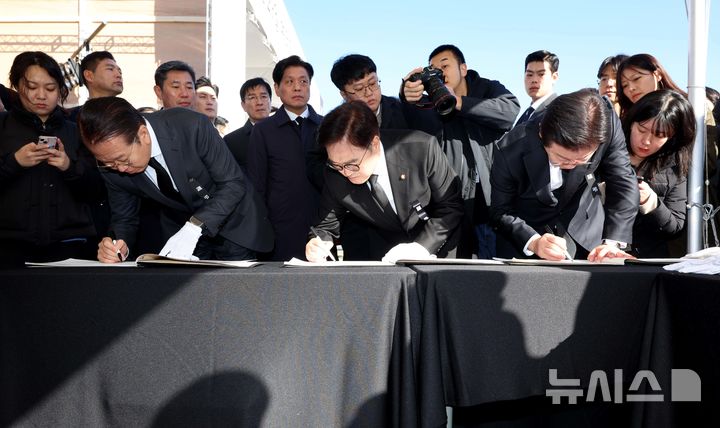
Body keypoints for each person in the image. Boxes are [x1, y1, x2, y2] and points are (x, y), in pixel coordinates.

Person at [78, 96, 274, 262]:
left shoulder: (191, 126)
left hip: (235, 223)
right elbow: (124, 218)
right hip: (181, 235)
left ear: (143, 134)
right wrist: (118, 246)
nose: (119, 168)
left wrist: (195, 226)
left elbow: (233, 183)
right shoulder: (110, 164)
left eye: (123, 159)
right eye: (108, 163)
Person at [400, 44, 520, 258]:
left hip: (494, 201)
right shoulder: (429, 104)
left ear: (463, 69)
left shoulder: (488, 88)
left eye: (445, 66)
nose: (440, 73)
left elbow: (509, 111)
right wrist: (406, 94)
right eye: (434, 69)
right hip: (454, 205)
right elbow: (409, 126)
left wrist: (458, 103)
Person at [305, 101, 463, 263]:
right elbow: (325, 226)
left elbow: (450, 206)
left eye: (352, 164)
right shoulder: (335, 173)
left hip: (441, 246)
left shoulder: (422, 148)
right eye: (336, 165)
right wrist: (316, 243)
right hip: (388, 256)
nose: (345, 172)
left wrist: (421, 247)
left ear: (374, 143)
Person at [490, 89, 638, 261]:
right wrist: (534, 242)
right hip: (525, 233)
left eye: (582, 160)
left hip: (586, 231)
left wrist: (612, 243)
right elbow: (501, 210)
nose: (571, 165)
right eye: (562, 158)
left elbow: (623, 182)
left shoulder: (606, 124)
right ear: (541, 134)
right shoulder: (510, 149)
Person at [0, 51, 99, 265]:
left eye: (51, 88)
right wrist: (14, 162)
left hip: (70, 243)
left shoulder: (77, 131)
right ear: (17, 86)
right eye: (32, 87)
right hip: (9, 245)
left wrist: (68, 166)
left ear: (60, 89)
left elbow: (97, 189)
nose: (41, 95)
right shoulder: (3, 126)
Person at [330, 53, 409, 259]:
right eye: (359, 89)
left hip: (407, 223)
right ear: (344, 94)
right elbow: (318, 167)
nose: (369, 92)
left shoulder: (406, 112)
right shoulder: (335, 126)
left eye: (373, 83)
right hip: (361, 225)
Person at [247, 55, 323, 261]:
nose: (297, 87)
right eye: (289, 82)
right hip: (278, 232)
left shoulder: (327, 127)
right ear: (277, 88)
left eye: (303, 81)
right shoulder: (263, 130)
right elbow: (257, 185)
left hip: (321, 232)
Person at [622, 90, 695, 257]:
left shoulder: (674, 168)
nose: (646, 141)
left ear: (672, 137)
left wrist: (650, 202)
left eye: (659, 135)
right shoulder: (606, 155)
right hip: (598, 256)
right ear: (631, 122)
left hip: (646, 260)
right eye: (642, 130)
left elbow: (675, 226)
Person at [616, 53, 686, 119]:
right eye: (625, 85)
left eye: (636, 79)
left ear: (657, 74)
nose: (631, 88)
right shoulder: (626, 120)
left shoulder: (685, 106)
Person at [223, 77, 272, 170]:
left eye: (264, 96)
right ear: (243, 105)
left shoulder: (286, 134)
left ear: (270, 101)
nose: (259, 102)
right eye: (252, 98)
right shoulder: (231, 141)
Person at [515, 50, 559, 126]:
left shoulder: (558, 110)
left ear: (554, 77)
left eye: (541, 74)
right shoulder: (526, 114)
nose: (534, 80)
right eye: (529, 75)